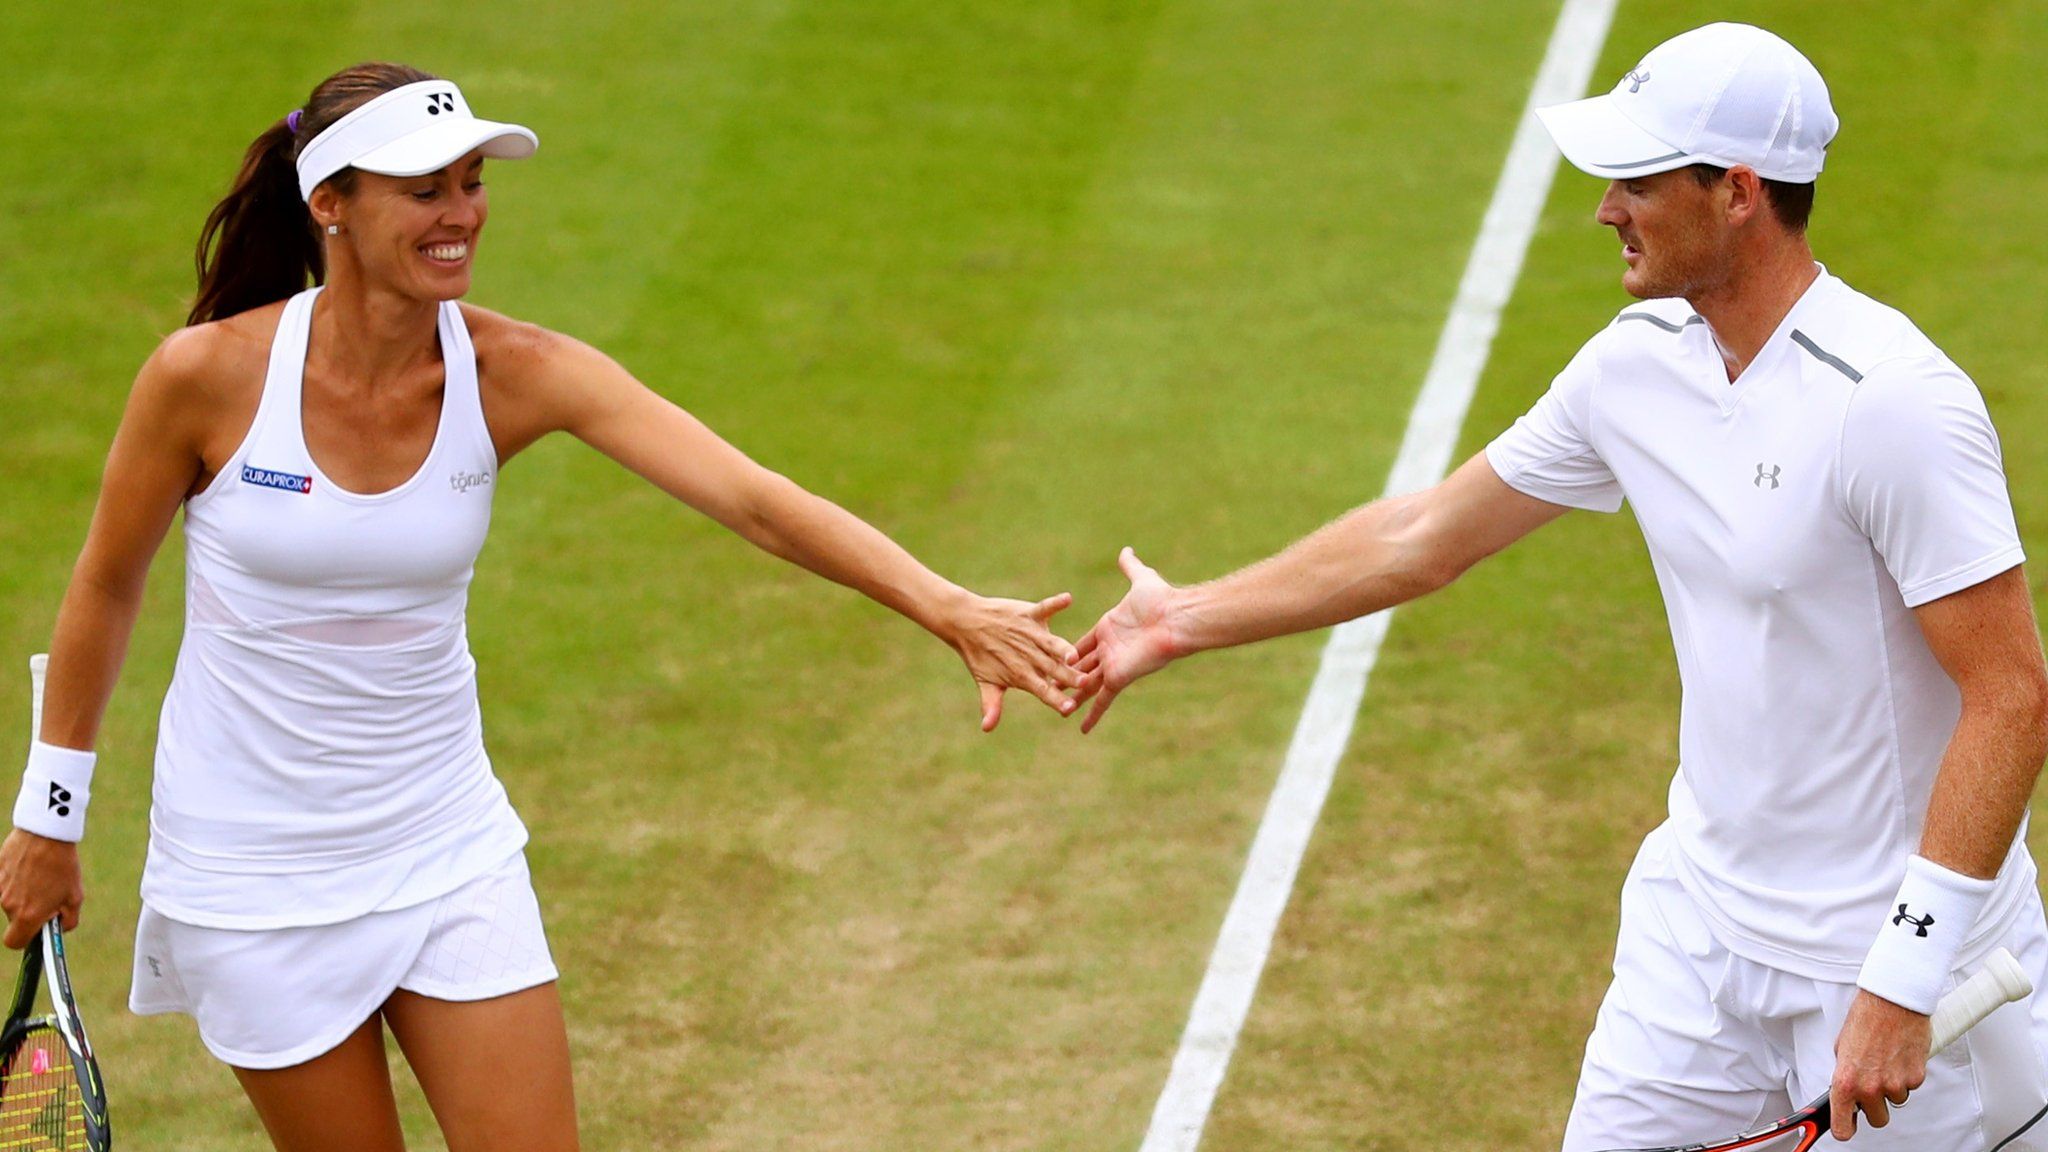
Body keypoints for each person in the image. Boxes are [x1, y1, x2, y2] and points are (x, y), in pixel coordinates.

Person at [0, 62, 1081, 1152]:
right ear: (330, 202)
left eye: (471, 183)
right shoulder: (204, 377)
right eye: (424, 190)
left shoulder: (517, 371)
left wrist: (945, 607)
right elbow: (106, 581)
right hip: (254, 875)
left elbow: (753, 500)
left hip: (445, 846)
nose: (461, 213)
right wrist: (50, 816)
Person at [1072, 22, 2048, 1150]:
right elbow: (1423, 536)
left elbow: (2010, 695)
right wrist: (1184, 615)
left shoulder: (1891, 404)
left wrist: (1901, 976)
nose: (1603, 208)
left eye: (1634, 179)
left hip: (1887, 971)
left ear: (1734, 191)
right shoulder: (1633, 366)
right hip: (1697, 938)